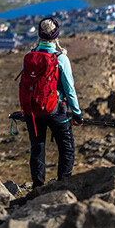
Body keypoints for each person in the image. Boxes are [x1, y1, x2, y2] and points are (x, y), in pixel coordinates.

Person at [21, 17, 82, 187]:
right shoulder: (60, 58)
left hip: (32, 111)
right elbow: (69, 90)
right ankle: (62, 186)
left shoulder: (29, 56)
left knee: (37, 148)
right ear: (56, 35)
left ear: (39, 34)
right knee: (67, 148)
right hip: (56, 110)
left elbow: (25, 84)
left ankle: (37, 186)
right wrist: (77, 114)